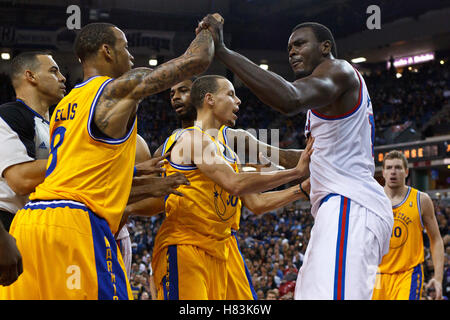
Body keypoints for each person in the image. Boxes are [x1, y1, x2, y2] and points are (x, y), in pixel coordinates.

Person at [0, 17, 218, 300]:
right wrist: (209, 29)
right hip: (75, 226)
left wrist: (135, 177)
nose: (131, 56)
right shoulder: (116, 89)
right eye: (125, 48)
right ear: (107, 51)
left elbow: (81, 175)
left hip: (30, 225)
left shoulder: (62, 109)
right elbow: (197, 61)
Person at [197, 18, 393, 299]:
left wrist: (224, 52)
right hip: (336, 207)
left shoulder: (338, 71)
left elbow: (289, 99)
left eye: (300, 44)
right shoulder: (328, 97)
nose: (291, 52)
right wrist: (256, 148)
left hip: (351, 204)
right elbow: (312, 159)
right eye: (289, 47)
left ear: (325, 47)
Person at [151, 75, 313, 300]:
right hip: (187, 246)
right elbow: (235, 183)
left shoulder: (229, 152)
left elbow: (256, 203)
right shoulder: (191, 139)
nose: (238, 101)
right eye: (230, 94)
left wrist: (301, 189)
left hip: (222, 247)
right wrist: (296, 172)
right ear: (209, 99)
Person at [0, 51, 66, 286]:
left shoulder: (55, 125)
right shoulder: (5, 116)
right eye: (53, 70)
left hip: (40, 229)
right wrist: (79, 158)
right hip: (8, 228)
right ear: (31, 76)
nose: (63, 78)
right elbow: (19, 179)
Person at [372, 150, 444, 300]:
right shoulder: (372, 200)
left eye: (398, 167)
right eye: (389, 167)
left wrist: (438, 278)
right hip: (376, 275)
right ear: (383, 172)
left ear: (406, 172)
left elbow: (436, 240)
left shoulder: (421, 200)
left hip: (408, 274)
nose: (393, 172)